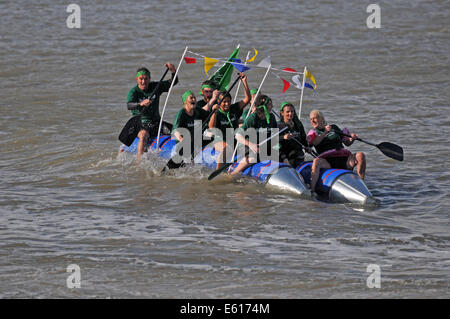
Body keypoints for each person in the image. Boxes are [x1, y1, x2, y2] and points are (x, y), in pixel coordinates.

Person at [126, 63, 178, 159]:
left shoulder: (155, 87)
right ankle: (139, 162)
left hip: (156, 123)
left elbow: (173, 82)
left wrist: (173, 71)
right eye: (141, 79)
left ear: (149, 79)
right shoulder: (134, 91)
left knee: (178, 131)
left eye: (146, 78)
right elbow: (129, 105)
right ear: (137, 79)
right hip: (140, 123)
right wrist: (140, 104)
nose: (143, 81)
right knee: (143, 135)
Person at [307, 109, 366, 192]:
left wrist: (352, 138)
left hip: (344, 159)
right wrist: (325, 132)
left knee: (360, 155)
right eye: (310, 119)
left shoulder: (334, 127)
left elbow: (347, 142)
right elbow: (314, 143)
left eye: (315, 118)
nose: (312, 121)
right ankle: (312, 190)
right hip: (328, 161)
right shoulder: (313, 132)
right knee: (316, 161)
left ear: (322, 119)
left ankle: (361, 183)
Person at [208, 73, 251, 170]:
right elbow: (211, 128)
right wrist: (214, 113)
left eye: (229, 101)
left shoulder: (234, 108)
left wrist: (244, 82)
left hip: (234, 140)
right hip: (219, 141)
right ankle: (219, 171)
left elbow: (248, 99)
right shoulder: (216, 113)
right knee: (227, 148)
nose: (227, 104)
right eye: (224, 102)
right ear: (219, 102)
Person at [231, 94, 278, 176]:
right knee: (253, 159)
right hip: (248, 146)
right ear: (263, 106)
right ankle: (233, 174)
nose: (272, 106)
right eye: (269, 104)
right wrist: (251, 145)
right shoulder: (253, 117)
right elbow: (238, 135)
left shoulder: (272, 117)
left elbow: (274, 135)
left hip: (262, 145)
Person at [171, 91, 213, 162]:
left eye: (194, 98)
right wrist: (181, 139)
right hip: (183, 141)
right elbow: (175, 131)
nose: (193, 99)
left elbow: (209, 115)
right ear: (185, 102)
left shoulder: (197, 111)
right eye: (191, 98)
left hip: (195, 139)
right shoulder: (181, 113)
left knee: (211, 138)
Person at [278, 102, 309, 168]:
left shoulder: (298, 125)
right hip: (286, 156)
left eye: (292, 111)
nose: (290, 114)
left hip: (298, 155)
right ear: (282, 113)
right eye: (287, 112)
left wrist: (307, 146)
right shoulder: (278, 126)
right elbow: (273, 140)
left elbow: (303, 138)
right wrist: (284, 137)